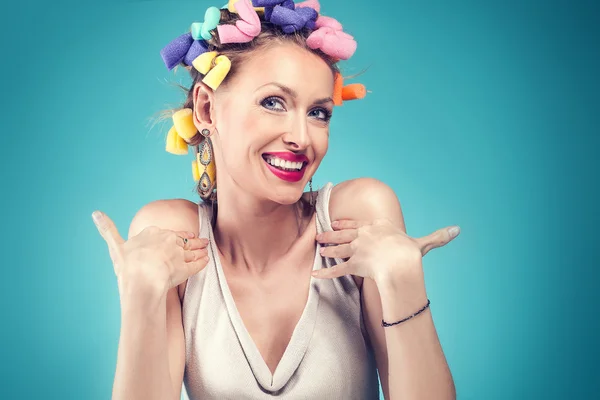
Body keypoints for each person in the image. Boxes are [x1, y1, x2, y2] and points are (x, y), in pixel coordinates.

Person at [92, 0, 459, 399]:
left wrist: (403, 281)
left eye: (319, 113)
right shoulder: (171, 238)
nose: (302, 138)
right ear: (206, 107)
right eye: (273, 103)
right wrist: (140, 298)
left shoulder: (358, 217)